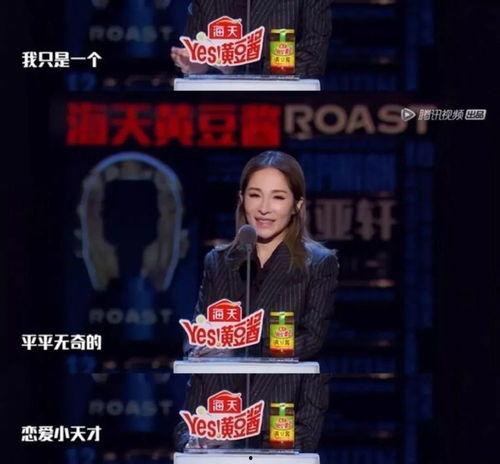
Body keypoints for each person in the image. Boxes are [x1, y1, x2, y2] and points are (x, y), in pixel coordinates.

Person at [188, 151, 339, 360]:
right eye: (255, 195)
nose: (264, 208)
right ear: (242, 199)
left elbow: (311, 339)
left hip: (279, 381)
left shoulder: (317, 264)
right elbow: (199, 327)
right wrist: (197, 348)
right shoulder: (218, 261)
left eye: (278, 197)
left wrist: (238, 350)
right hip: (219, 380)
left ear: (296, 205)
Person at [171, 0, 332, 77]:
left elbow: (313, 58)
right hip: (219, 105)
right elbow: (194, 49)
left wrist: (238, 67)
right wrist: (197, 64)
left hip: (282, 106)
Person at [174, 373, 330, 451]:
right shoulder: (209, 359)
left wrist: (238, 441)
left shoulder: (305, 367)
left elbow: (307, 436)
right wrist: (195, 441)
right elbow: (184, 429)